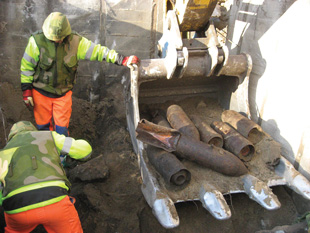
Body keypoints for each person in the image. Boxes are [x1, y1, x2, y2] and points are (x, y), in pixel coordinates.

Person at [21, 12, 139, 136]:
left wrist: (122, 59)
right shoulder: (36, 42)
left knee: (61, 128)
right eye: (53, 39)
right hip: (40, 93)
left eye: (60, 39)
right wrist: (26, 91)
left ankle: (62, 154)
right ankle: (46, 152)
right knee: (43, 127)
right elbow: (26, 67)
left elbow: (98, 51)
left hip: (63, 95)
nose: (57, 41)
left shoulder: (76, 42)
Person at [0, 121, 92, 232]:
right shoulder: (48, 136)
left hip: (16, 208)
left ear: (11, 137)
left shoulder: (3, 153)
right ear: (33, 131)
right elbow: (85, 151)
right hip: (54, 199)